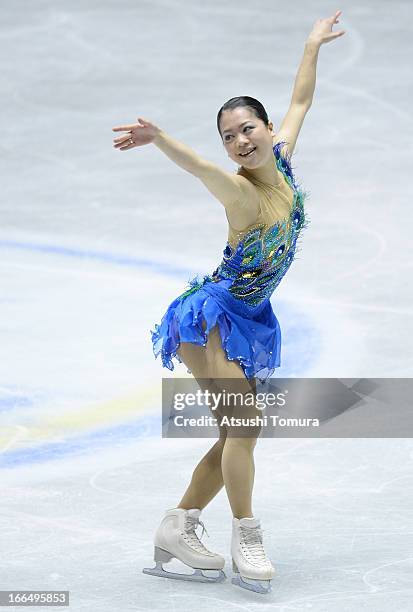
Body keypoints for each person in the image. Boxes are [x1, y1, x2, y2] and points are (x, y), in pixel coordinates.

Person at [113, 10, 345, 595]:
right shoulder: (241, 194)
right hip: (211, 318)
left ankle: (178, 524)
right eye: (229, 135)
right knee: (245, 428)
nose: (240, 142)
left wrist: (311, 43)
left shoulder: (283, 164)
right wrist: (161, 138)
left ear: (266, 130)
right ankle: (246, 534)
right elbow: (203, 171)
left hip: (250, 318)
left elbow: (301, 100)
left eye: (248, 129)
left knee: (233, 435)